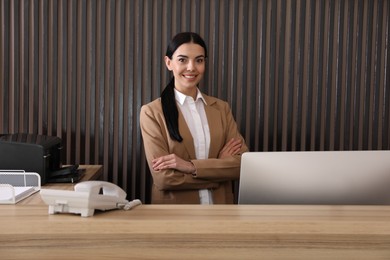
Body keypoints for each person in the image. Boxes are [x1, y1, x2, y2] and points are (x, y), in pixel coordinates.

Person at [140, 32, 248, 204]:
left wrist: (190, 166)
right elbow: (165, 179)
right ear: (169, 63)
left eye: (199, 60)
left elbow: (242, 165)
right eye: (182, 60)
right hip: (176, 217)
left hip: (221, 213)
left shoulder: (221, 108)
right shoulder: (152, 112)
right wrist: (219, 169)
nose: (191, 67)